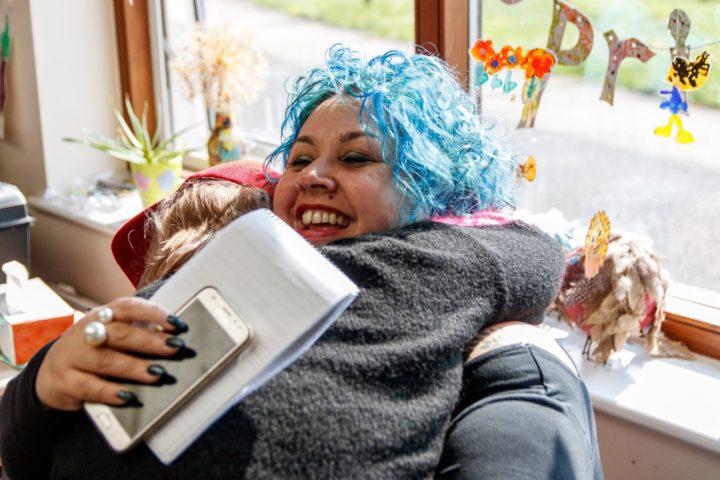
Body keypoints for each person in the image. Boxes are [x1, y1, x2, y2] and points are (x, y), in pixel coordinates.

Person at [0, 45, 601, 479]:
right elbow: (17, 448)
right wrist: (45, 382)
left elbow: (531, 248)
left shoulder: (449, 260)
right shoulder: (238, 256)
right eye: (298, 159)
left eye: (357, 158)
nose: (313, 175)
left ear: (433, 190)